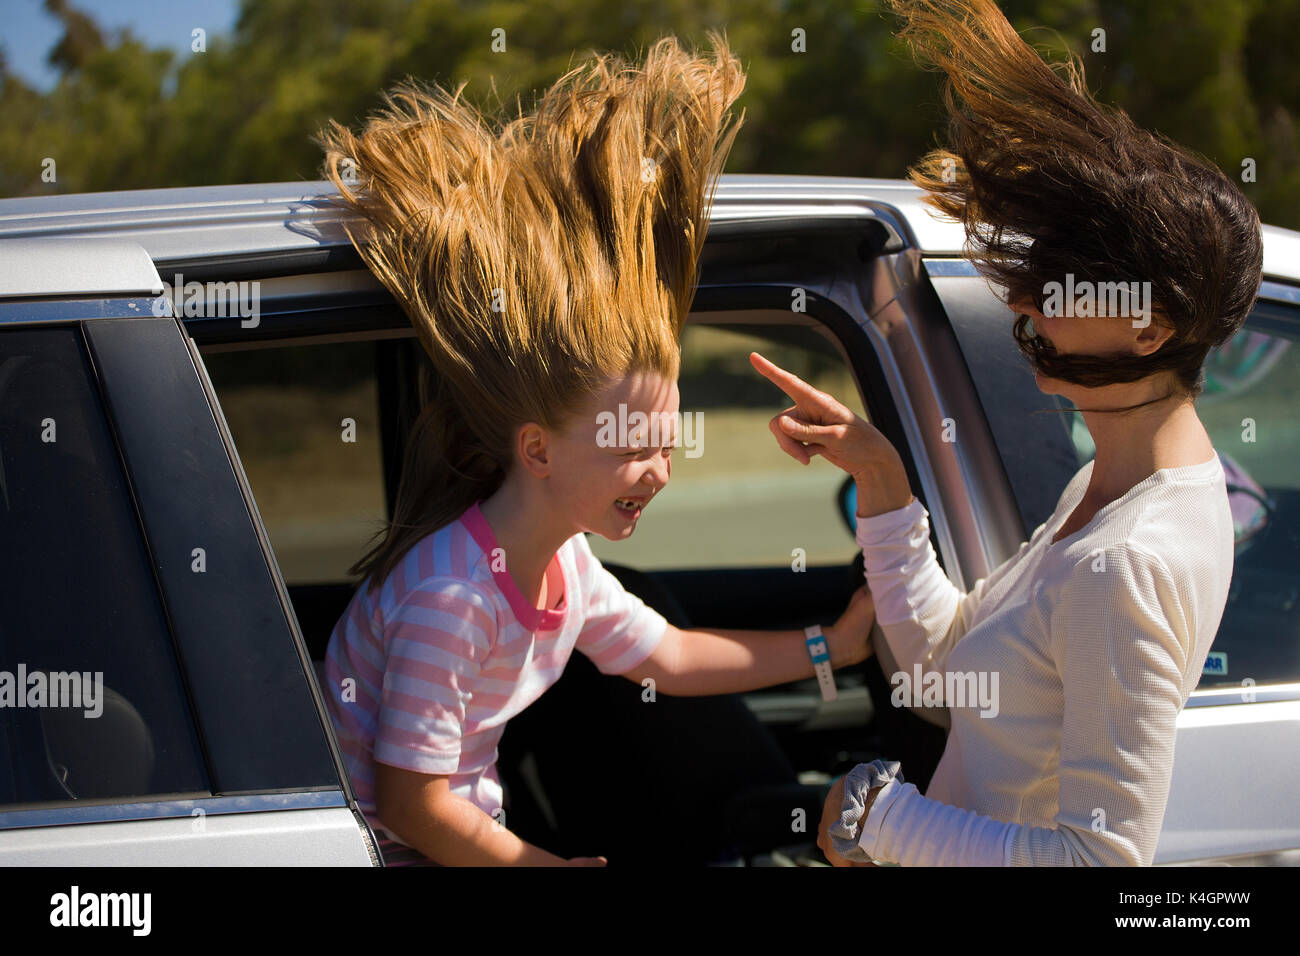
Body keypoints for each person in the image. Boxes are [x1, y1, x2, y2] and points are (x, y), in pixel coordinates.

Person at [311, 32, 877, 867]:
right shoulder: (454, 597)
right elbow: (411, 802)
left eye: (663, 445)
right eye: (628, 449)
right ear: (536, 451)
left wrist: (834, 645)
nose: (657, 473)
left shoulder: (560, 562)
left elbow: (672, 659)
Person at [753, 0, 1261, 866]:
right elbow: (948, 673)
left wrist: (875, 819)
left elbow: (1098, 860)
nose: (1025, 303)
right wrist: (883, 486)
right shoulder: (1120, 488)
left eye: (1059, 287)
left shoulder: (1123, 560)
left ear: (1150, 327)